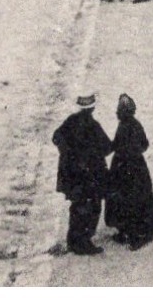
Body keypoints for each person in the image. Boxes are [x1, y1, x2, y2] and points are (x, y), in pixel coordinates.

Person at [51, 94, 113, 255]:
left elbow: (56, 137)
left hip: (72, 176)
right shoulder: (93, 126)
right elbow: (107, 148)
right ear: (92, 108)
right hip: (90, 177)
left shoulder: (71, 121)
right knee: (92, 208)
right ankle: (84, 242)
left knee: (77, 206)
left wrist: (68, 155)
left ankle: (73, 240)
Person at [104, 94, 153, 250]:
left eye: (119, 110)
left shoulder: (125, 125)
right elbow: (145, 144)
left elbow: (119, 145)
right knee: (134, 199)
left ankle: (137, 234)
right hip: (135, 167)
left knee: (130, 200)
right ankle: (130, 230)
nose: (117, 112)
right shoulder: (134, 124)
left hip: (126, 168)